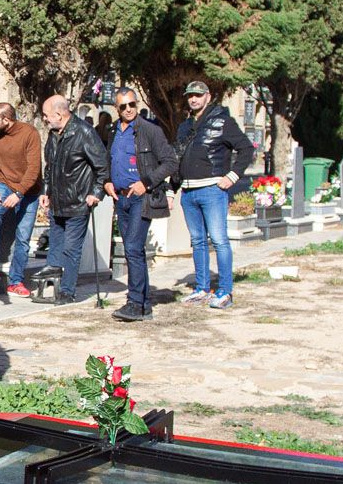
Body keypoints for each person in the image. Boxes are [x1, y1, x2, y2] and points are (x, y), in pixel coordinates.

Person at [174, 79, 255, 309]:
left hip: (212, 189)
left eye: (198, 95)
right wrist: (172, 189)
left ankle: (225, 291)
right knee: (198, 241)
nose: (193, 99)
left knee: (219, 240)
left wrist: (233, 175)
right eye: (190, 95)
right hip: (189, 191)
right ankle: (201, 288)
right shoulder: (185, 127)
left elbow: (246, 148)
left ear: (208, 96)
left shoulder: (222, 121)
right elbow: (178, 157)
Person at [103, 87, 177, 322]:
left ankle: (135, 302)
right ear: (117, 109)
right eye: (123, 106)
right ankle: (143, 304)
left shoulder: (150, 131)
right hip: (121, 197)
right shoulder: (113, 131)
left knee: (134, 248)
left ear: (137, 104)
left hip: (141, 198)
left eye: (132, 104)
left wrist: (146, 183)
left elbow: (170, 162)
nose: (128, 109)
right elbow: (109, 159)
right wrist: (106, 182)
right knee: (132, 249)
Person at [37, 95, 107, 305]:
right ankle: (53, 287)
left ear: (59, 114)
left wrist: (96, 192)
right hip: (57, 201)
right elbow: (50, 166)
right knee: (55, 248)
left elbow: (102, 165)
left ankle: (68, 291)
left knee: (71, 249)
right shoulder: (53, 134)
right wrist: (45, 191)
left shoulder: (84, 132)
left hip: (77, 201)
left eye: (47, 115)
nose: (45, 119)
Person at [0, 102, 43, 297]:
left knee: (23, 236)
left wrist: (19, 194)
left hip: (28, 191)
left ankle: (16, 281)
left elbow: (33, 170)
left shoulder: (30, 134)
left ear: (7, 119)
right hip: (4, 185)